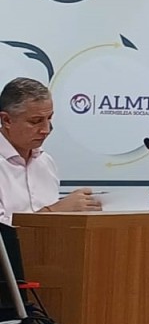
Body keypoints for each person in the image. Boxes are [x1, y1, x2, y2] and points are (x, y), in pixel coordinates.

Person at [0, 77, 100, 225]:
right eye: (36, 121)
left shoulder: (46, 162)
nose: (46, 130)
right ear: (6, 120)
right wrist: (55, 211)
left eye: (49, 118)